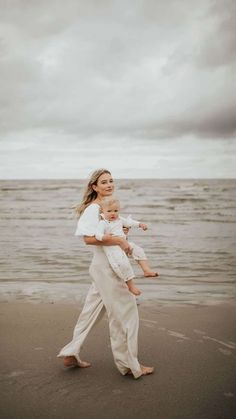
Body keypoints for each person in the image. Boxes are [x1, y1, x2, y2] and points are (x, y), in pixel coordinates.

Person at [57, 169, 154, 378]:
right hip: (108, 270)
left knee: (90, 312)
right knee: (125, 315)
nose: (109, 184)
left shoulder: (109, 208)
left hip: (103, 267)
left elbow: (106, 236)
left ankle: (71, 352)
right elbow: (88, 239)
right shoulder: (94, 209)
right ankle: (128, 365)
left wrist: (121, 234)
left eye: (111, 181)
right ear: (94, 187)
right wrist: (119, 240)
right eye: (104, 182)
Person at [95, 196, 158, 296]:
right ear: (103, 211)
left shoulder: (119, 219)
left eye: (116, 210)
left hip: (124, 243)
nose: (113, 213)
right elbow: (97, 234)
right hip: (113, 246)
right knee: (123, 264)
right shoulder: (103, 223)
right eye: (109, 211)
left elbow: (129, 222)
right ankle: (130, 286)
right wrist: (103, 237)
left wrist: (140, 224)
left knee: (138, 250)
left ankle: (146, 270)